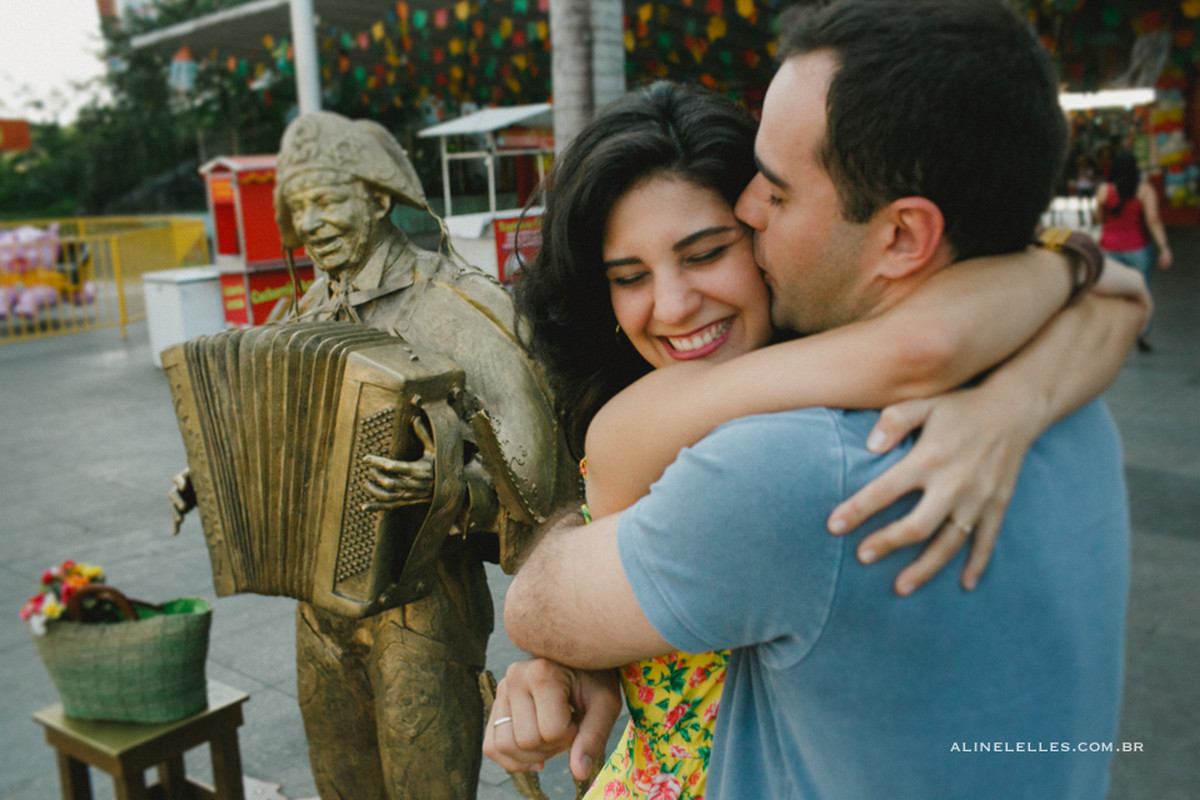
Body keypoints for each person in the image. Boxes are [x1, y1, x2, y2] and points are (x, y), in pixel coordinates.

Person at [491, 2, 1148, 798]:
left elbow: (541, 598)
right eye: (627, 276)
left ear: (904, 235)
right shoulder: (1081, 412)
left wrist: (924, 353)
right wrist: (1065, 287)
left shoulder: (792, 471)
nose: (750, 209)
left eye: (774, 192)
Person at [171, 111, 576, 800]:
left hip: (425, 609)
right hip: (320, 616)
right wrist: (212, 475)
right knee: (343, 788)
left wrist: (443, 484)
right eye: (300, 208)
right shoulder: (306, 318)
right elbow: (277, 444)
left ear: (379, 197)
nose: (313, 222)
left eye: (328, 199)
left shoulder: (457, 307)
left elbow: (542, 476)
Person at [1097, 148, 1172, 351]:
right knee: (1141, 291)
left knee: (1110, 293)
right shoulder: (1144, 190)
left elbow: (1100, 218)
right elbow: (1153, 220)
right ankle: (1143, 333)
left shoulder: (1105, 190)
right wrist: (1164, 248)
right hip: (1137, 248)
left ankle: (1111, 334)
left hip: (1109, 248)